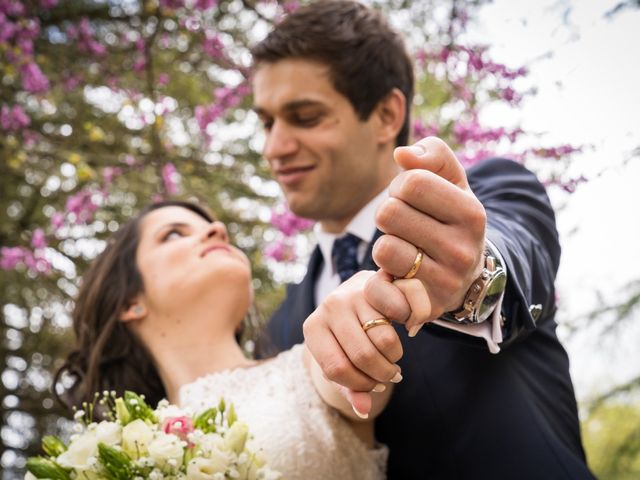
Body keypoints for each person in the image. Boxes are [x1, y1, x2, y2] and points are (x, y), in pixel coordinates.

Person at [250, 1, 595, 478]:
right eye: (266, 123)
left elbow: (510, 247)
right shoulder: (283, 324)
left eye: (305, 117)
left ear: (388, 114)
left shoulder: (491, 194)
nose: (274, 148)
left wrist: (470, 276)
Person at [55, 200, 428, 479]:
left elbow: (350, 375)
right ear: (129, 302)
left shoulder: (307, 366)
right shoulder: (118, 452)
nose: (217, 229)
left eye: (215, 226)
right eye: (173, 233)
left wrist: (359, 310)